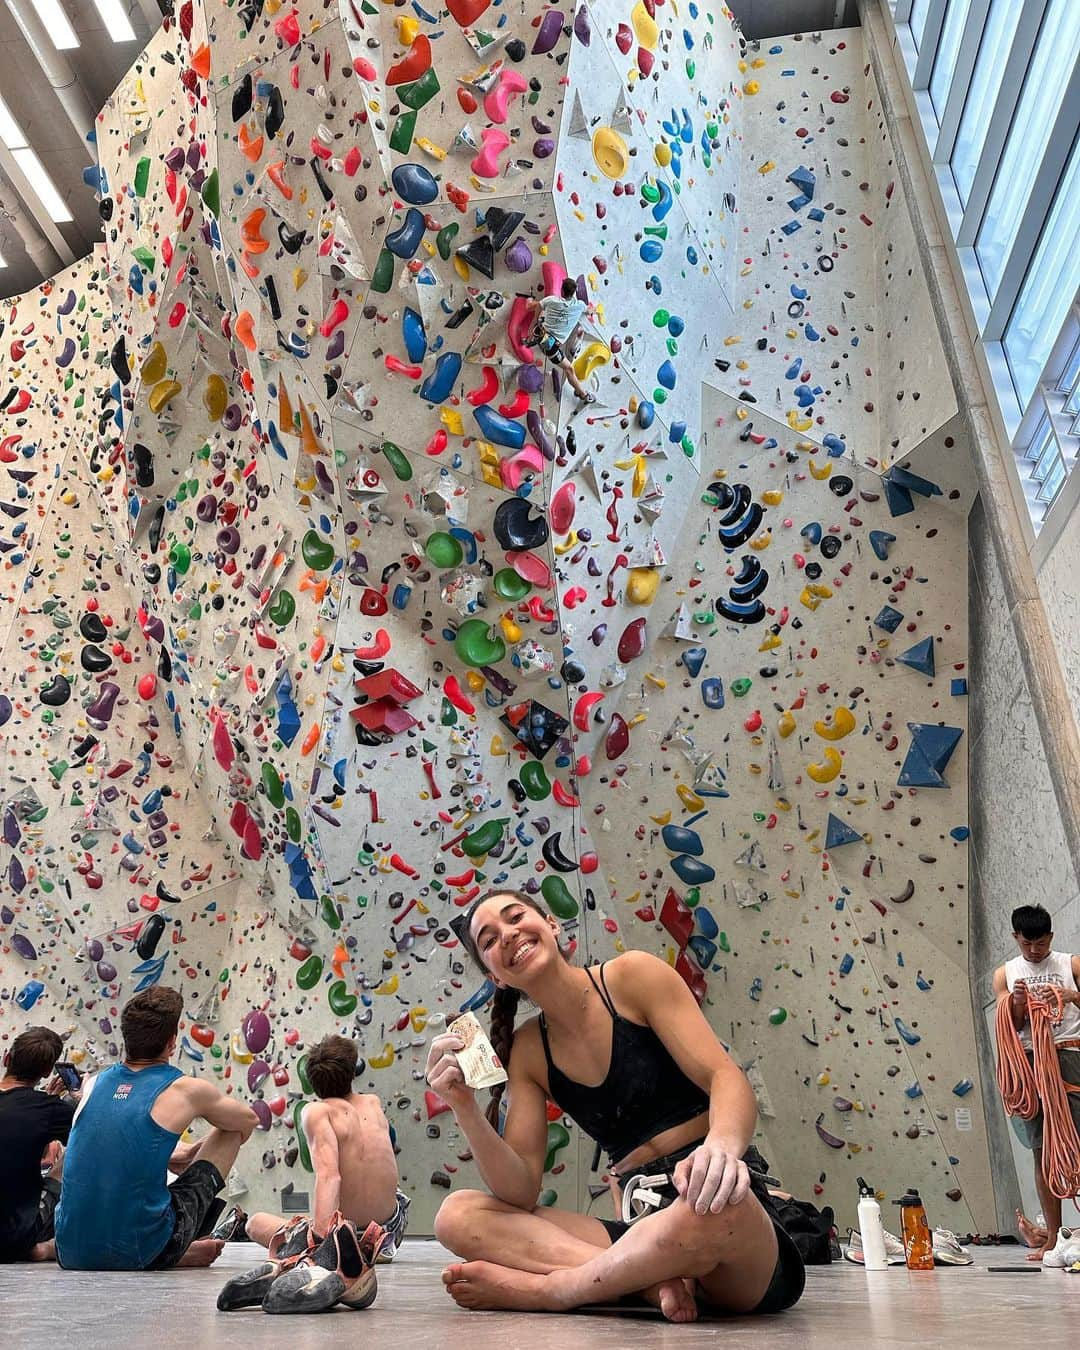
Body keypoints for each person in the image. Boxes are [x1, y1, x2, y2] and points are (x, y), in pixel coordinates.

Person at [426, 889, 805, 1322]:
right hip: (641, 1224)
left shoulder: (632, 977)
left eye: (515, 917)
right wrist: (465, 1111)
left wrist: (719, 1149)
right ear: (496, 977)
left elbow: (724, 1076)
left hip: (715, 1213)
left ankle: (554, 1290)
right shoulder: (529, 1050)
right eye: (489, 940)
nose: (508, 936)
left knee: (715, 1211)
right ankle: (648, 1284)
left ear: (550, 924)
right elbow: (519, 1190)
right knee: (456, 1215)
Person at [55, 985, 259, 1270]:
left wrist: (169, 1155)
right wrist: (195, 1157)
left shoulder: (93, 1083)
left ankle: (173, 1249)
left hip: (70, 1250)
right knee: (230, 1130)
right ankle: (171, 1249)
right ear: (172, 1041)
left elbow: (122, 1137)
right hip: (138, 1250)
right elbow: (248, 1121)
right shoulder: (185, 1089)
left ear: (127, 1037)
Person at [992, 903, 1080, 1262]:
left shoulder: (1070, 964)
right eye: (1027, 943)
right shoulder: (1005, 974)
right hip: (1028, 1065)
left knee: (1074, 1144)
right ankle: (1054, 1240)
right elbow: (1008, 1024)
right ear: (1016, 937)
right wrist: (1015, 1003)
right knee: (1044, 1152)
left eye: (1040, 943)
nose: (1034, 950)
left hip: (1069, 1055)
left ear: (1050, 938)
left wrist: (1072, 995)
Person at [0, 1027, 76, 1263]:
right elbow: (97, 1138)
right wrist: (75, 1101)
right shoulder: (50, 1110)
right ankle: (51, 1247)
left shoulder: (46, 1108)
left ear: (6, 1058)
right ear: (45, 1071)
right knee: (77, 1152)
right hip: (11, 1239)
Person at [530, 278, 596, 403]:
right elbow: (589, 311)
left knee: (544, 314)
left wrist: (535, 321)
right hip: (550, 346)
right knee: (569, 369)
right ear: (574, 292)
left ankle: (534, 337)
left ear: (561, 290)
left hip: (541, 333)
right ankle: (583, 395)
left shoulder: (551, 300)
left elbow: (539, 305)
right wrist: (595, 309)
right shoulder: (580, 305)